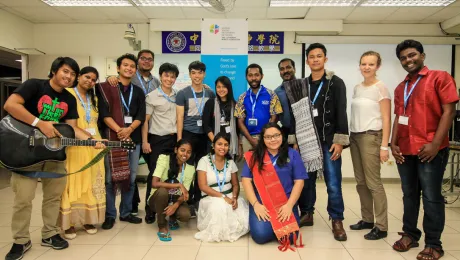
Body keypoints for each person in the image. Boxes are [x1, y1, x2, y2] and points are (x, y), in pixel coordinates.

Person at [3, 57, 104, 260]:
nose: (69, 77)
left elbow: (73, 127)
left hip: (54, 154)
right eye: (65, 71)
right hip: (25, 152)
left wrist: (92, 140)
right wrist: (39, 123)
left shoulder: (68, 99)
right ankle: (20, 240)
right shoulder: (34, 86)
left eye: (72, 74)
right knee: (23, 199)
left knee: (53, 197)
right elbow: (10, 105)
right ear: (54, 71)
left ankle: (49, 233)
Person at [391, 40, 458, 260]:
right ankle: (410, 234)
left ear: (422, 55)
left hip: (431, 149)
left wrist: (436, 144)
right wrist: (393, 143)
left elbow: (449, 113)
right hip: (406, 149)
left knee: (431, 197)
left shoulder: (440, 78)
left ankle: (433, 244)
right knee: (409, 195)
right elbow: (398, 118)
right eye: (403, 58)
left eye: (412, 55)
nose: (408, 60)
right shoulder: (401, 87)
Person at [297, 43, 349, 242]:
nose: (315, 59)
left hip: (329, 140)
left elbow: (341, 112)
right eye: (312, 56)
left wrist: (340, 140)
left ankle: (336, 219)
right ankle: (307, 213)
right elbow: (297, 115)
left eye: (319, 56)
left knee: (333, 182)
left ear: (325, 59)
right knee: (307, 180)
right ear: (307, 61)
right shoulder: (302, 85)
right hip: (307, 140)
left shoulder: (336, 83)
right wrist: (295, 140)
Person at [107, 49, 160, 216]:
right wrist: (123, 130)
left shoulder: (156, 82)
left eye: (149, 59)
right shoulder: (120, 82)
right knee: (115, 176)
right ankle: (122, 209)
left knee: (134, 173)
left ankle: (129, 209)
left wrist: (130, 129)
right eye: (143, 59)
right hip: (121, 132)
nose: (146, 61)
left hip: (148, 130)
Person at [97, 53, 146, 229]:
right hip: (113, 138)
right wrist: (119, 130)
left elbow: (141, 115)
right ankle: (110, 215)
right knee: (110, 179)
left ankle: (125, 213)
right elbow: (104, 114)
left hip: (133, 139)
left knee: (130, 178)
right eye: (125, 65)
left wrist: (129, 130)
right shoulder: (106, 88)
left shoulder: (138, 91)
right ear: (118, 68)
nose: (129, 68)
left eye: (132, 66)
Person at [241, 123, 307, 248]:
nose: (273, 140)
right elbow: (246, 180)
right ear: (263, 139)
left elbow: (299, 181)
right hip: (262, 202)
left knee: (290, 237)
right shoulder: (254, 156)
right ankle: (271, 226)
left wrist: (289, 206)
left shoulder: (293, 154)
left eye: (276, 135)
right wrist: (256, 205)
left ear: (282, 136)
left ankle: (274, 226)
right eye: (268, 137)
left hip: (285, 202)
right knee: (260, 236)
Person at [60, 66, 106, 239]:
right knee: (73, 181)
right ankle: (69, 223)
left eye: (94, 79)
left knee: (91, 180)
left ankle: (87, 219)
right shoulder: (67, 95)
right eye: (87, 77)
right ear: (78, 77)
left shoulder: (94, 98)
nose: (90, 81)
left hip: (95, 145)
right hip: (75, 144)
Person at [349, 51, 390, 240]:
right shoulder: (357, 88)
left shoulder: (380, 88)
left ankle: (381, 227)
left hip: (371, 137)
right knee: (361, 182)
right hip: (355, 137)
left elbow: (387, 119)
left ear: (377, 67)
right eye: (363, 64)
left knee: (374, 183)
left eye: (371, 64)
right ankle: (367, 219)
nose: (366, 67)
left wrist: (384, 146)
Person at [176, 61, 215, 215]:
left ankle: (198, 201)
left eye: (200, 73)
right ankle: (187, 199)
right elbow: (179, 117)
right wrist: (180, 140)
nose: (197, 76)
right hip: (188, 135)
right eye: (194, 73)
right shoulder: (183, 93)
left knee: (202, 170)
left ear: (204, 74)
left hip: (205, 136)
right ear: (190, 74)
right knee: (188, 170)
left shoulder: (210, 93)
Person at [142, 62, 180, 224]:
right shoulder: (152, 96)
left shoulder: (178, 95)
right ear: (161, 76)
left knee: (172, 173)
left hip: (173, 139)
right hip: (157, 139)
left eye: (172, 76)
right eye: (166, 75)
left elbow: (179, 119)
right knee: (155, 174)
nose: (169, 79)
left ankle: (168, 207)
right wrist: (145, 141)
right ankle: (150, 209)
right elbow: (145, 121)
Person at [195, 133, 249, 242]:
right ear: (213, 145)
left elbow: (235, 184)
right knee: (219, 208)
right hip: (210, 197)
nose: (222, 147)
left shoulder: (230, 162)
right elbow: (203, 186)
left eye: (226, 145)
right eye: (219, 144)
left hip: (229, 195)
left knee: (244, 217)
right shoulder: (204, 161)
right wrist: (223, 197)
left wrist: (234, 197)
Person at [147, 139, 194, 242]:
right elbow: (154, 183)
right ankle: (162, 225)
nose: (185, 154)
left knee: (185, 215)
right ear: (176, 150)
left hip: (175, 199)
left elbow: (185, 194)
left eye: (189, 152)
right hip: (158, 198)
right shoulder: (164, 159)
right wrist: (178, 185)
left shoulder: (190, 169)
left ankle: (172, 217)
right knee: (163, 191)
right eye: (182, 150)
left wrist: (176, 205)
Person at [234, 64, 283, 153]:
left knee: (268, 165)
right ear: (246, 77)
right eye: (250, 75)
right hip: (248, 139)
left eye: (256, 75)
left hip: (268, 138)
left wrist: (264, 137)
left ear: (262, 76)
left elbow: (274, 117)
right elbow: (240, 121)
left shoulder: (271, 94)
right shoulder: (242, 97)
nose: (253, 78)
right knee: (250, 166)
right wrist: (251, 140)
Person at [202, 76, 242, 160]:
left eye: (224, 87)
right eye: (218, 87)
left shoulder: (235, 105)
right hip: (213, 144)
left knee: (228, 170)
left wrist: (239, 145)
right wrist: (216, 142)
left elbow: (238, 129)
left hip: (230, 145)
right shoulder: (210, 103)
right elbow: (206, 125)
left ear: (229, 88)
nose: (221, 89)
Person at [274, 58, 298, 149]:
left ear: (294, 69)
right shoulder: (276, 92)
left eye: (288, 67)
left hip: (304, 132)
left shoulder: (305, 86)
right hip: (286, 133)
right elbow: (276, 116)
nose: (285, 71)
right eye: (282, 69)